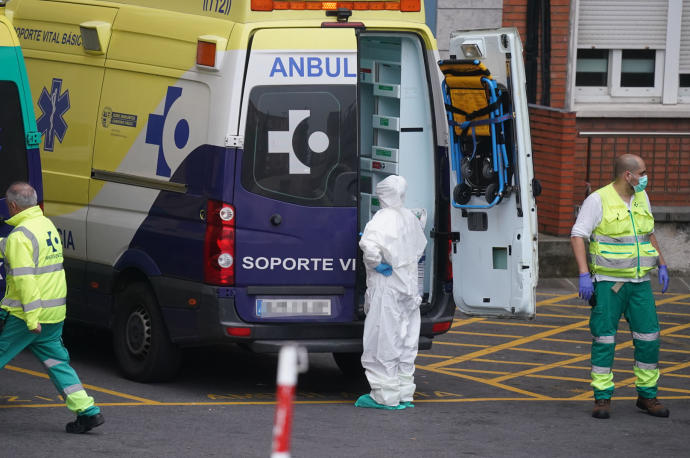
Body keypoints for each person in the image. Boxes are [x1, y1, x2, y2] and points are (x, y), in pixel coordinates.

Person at [571, 154, 670, 420]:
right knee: (604, 340)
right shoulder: (598, 200)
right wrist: (583, 274)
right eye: (643, 172)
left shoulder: (641, 198)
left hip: (639, 283)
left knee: (649, 339)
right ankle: (602, 398)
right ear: (629, 175)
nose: (646, 177)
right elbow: (578, 235)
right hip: (609, 284)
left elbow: (647, 233)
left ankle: (647, 396)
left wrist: (661, 263)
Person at [0, 182, 104, 433]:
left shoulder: (20, 235)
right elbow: (28, 256)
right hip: (54, 312)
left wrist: (32, 318)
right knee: (58, 363)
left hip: (26, 315)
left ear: (13, 205)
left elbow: (25, 279)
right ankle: (87, 411)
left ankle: (87, 411)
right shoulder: (46, 226)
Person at [355, 175, 427, 410]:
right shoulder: (410, 217)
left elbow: (371, 249)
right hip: (408, 288)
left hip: (387, 287)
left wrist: (377, 264)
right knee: (406, 341)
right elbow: (419, 246)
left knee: (383, 340)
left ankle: (384, 397)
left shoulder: (382, 218)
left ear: (383, 195)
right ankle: (405, 393)